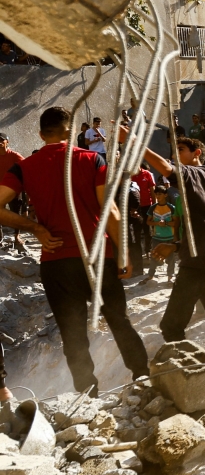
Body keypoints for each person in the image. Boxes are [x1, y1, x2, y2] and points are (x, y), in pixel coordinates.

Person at [0, 107, 149, 394]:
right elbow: (111, 210)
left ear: (41, 134)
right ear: (71, 132)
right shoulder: (93, 159)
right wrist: (124, 254)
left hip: (56, 259)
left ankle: (86, 390)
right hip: (97, 254)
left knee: (72, 331)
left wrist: (36, 229)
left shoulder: (25, 166)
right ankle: (142, 375)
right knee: (118, 319)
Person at [133, 134, 205, 345]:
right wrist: (175, 245)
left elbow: (166, 169)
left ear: (196, 153)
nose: (175, 155)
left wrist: (134, 141)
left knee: (171, 326)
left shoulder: (195, 174)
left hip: (196, 265)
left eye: (180, 150)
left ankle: (184, 369)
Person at [144, 185, 178, 283]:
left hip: (169, 237)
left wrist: (166, 223)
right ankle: (150, 276)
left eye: (160, 194)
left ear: (165, 195)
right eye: (156, 194)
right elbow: (148, 222)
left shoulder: (171, 207)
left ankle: (170, 276)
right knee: (154, 256)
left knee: (171, 258)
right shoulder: (153, 207)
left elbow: (175, 223)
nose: (158, 196)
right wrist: (157, 223)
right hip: (157, 237)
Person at [0, 133, 26, 254]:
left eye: (1, 140)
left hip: (12, 189)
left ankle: (16, 236)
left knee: (16, 213)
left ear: (7, 142)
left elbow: (27, 167)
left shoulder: (15, 156)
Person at [131, 163, 156, 257]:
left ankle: (148, 251)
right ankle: (138, 253)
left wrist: (154, 206)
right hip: (135, 207)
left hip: (147, 206)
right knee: (136, 230)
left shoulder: (147, 174)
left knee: (148, 230)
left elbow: (152, 191)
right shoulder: (129, 175)